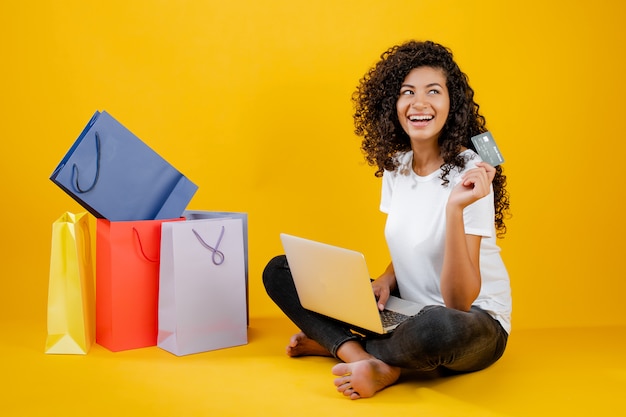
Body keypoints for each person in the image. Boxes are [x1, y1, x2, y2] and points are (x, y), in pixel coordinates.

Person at [262, 40, 511, 400]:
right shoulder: (397, 166)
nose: (419, 102)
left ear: (451, 105)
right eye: (407, 92)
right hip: (406, 311)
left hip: (473, 323)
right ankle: (363, 356)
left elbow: (458, 302)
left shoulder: (471, 175)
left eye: (433, 92)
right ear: (391, 105)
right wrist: (386, 278)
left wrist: (455, 209)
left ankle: (339, 344)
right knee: (281, 271)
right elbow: (413, 239)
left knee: (437, 328)